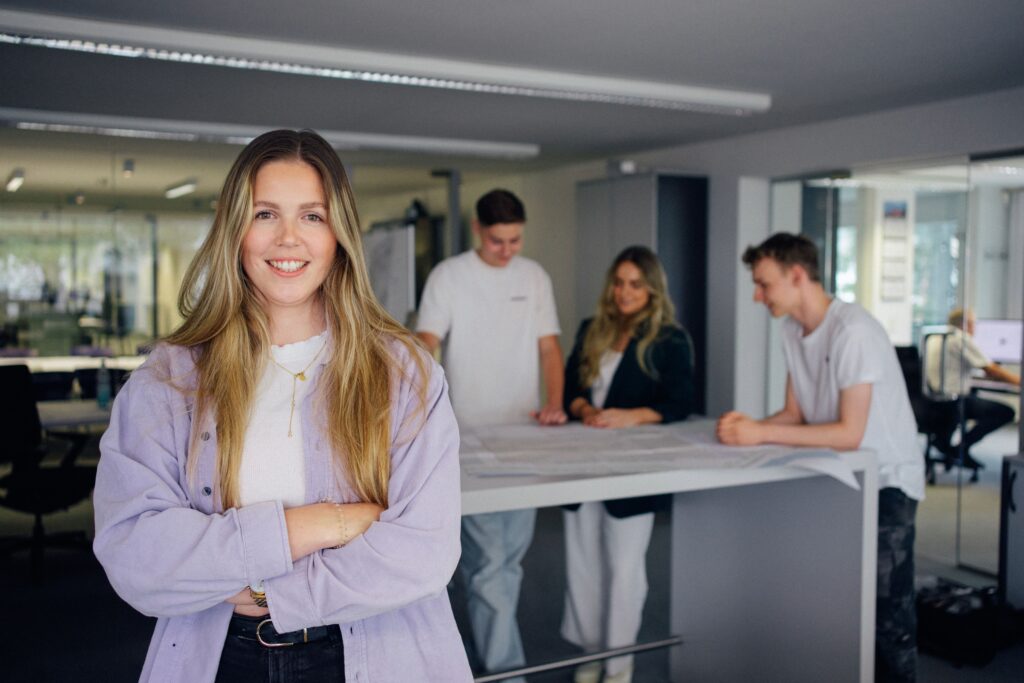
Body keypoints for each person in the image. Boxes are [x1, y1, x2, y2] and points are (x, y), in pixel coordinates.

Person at [93, 130, 471, 682]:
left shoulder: (404, 373)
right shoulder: (169, 379)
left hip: (379, 651)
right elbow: (135, 555)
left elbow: (425, 551)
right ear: (235, 230)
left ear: (339, 233)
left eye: (312, 216)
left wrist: (268, 587)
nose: (288, 239)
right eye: (265, 214)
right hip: (223, 656)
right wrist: (323, 524)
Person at [716, 232, 924, 683]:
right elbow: (796, 414)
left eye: (763, 284)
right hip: (839, 471)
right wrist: (745, 430)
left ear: (796, 275)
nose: (757, 295)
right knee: (839, 608)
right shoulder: (793, 329)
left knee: (887, 618)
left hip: (886, 481)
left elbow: (850, 432)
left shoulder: (853, 331)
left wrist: (759, 433)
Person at [416, 188, 566, 680]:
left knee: (509, 563)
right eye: (498, 240)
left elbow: (549, 348)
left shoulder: (534, 276)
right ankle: (508, 671)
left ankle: (490, 643)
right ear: (479, 231)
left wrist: (555, 402)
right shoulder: (450, 276)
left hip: (523, 433)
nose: (508, 250)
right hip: (468, 435)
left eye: (516, 240)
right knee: (489, 563)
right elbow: (427, 341)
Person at [561, 245, 694, 683]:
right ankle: (591, 653)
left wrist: (629, 416)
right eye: (619, 282)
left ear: (653, 289)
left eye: (636, 284)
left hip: (632, 466)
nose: (624, 292)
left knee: (624, 568)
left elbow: (680, 402)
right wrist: (583, 409)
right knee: (582, 562)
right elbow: (570, 389)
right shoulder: (592, 328)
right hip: (584, 459)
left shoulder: (671, 340)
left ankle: (620, 666)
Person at [926, 308, 1019, 471]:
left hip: (933, 402)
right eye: (973, 323)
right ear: (965, 324)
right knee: (1006, 412)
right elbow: (991, 370)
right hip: (954, 401)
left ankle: (955, 447)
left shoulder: (936, 337)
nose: (975, 328)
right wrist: (1019, 381)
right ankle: (961, 447)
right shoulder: (960, 338)